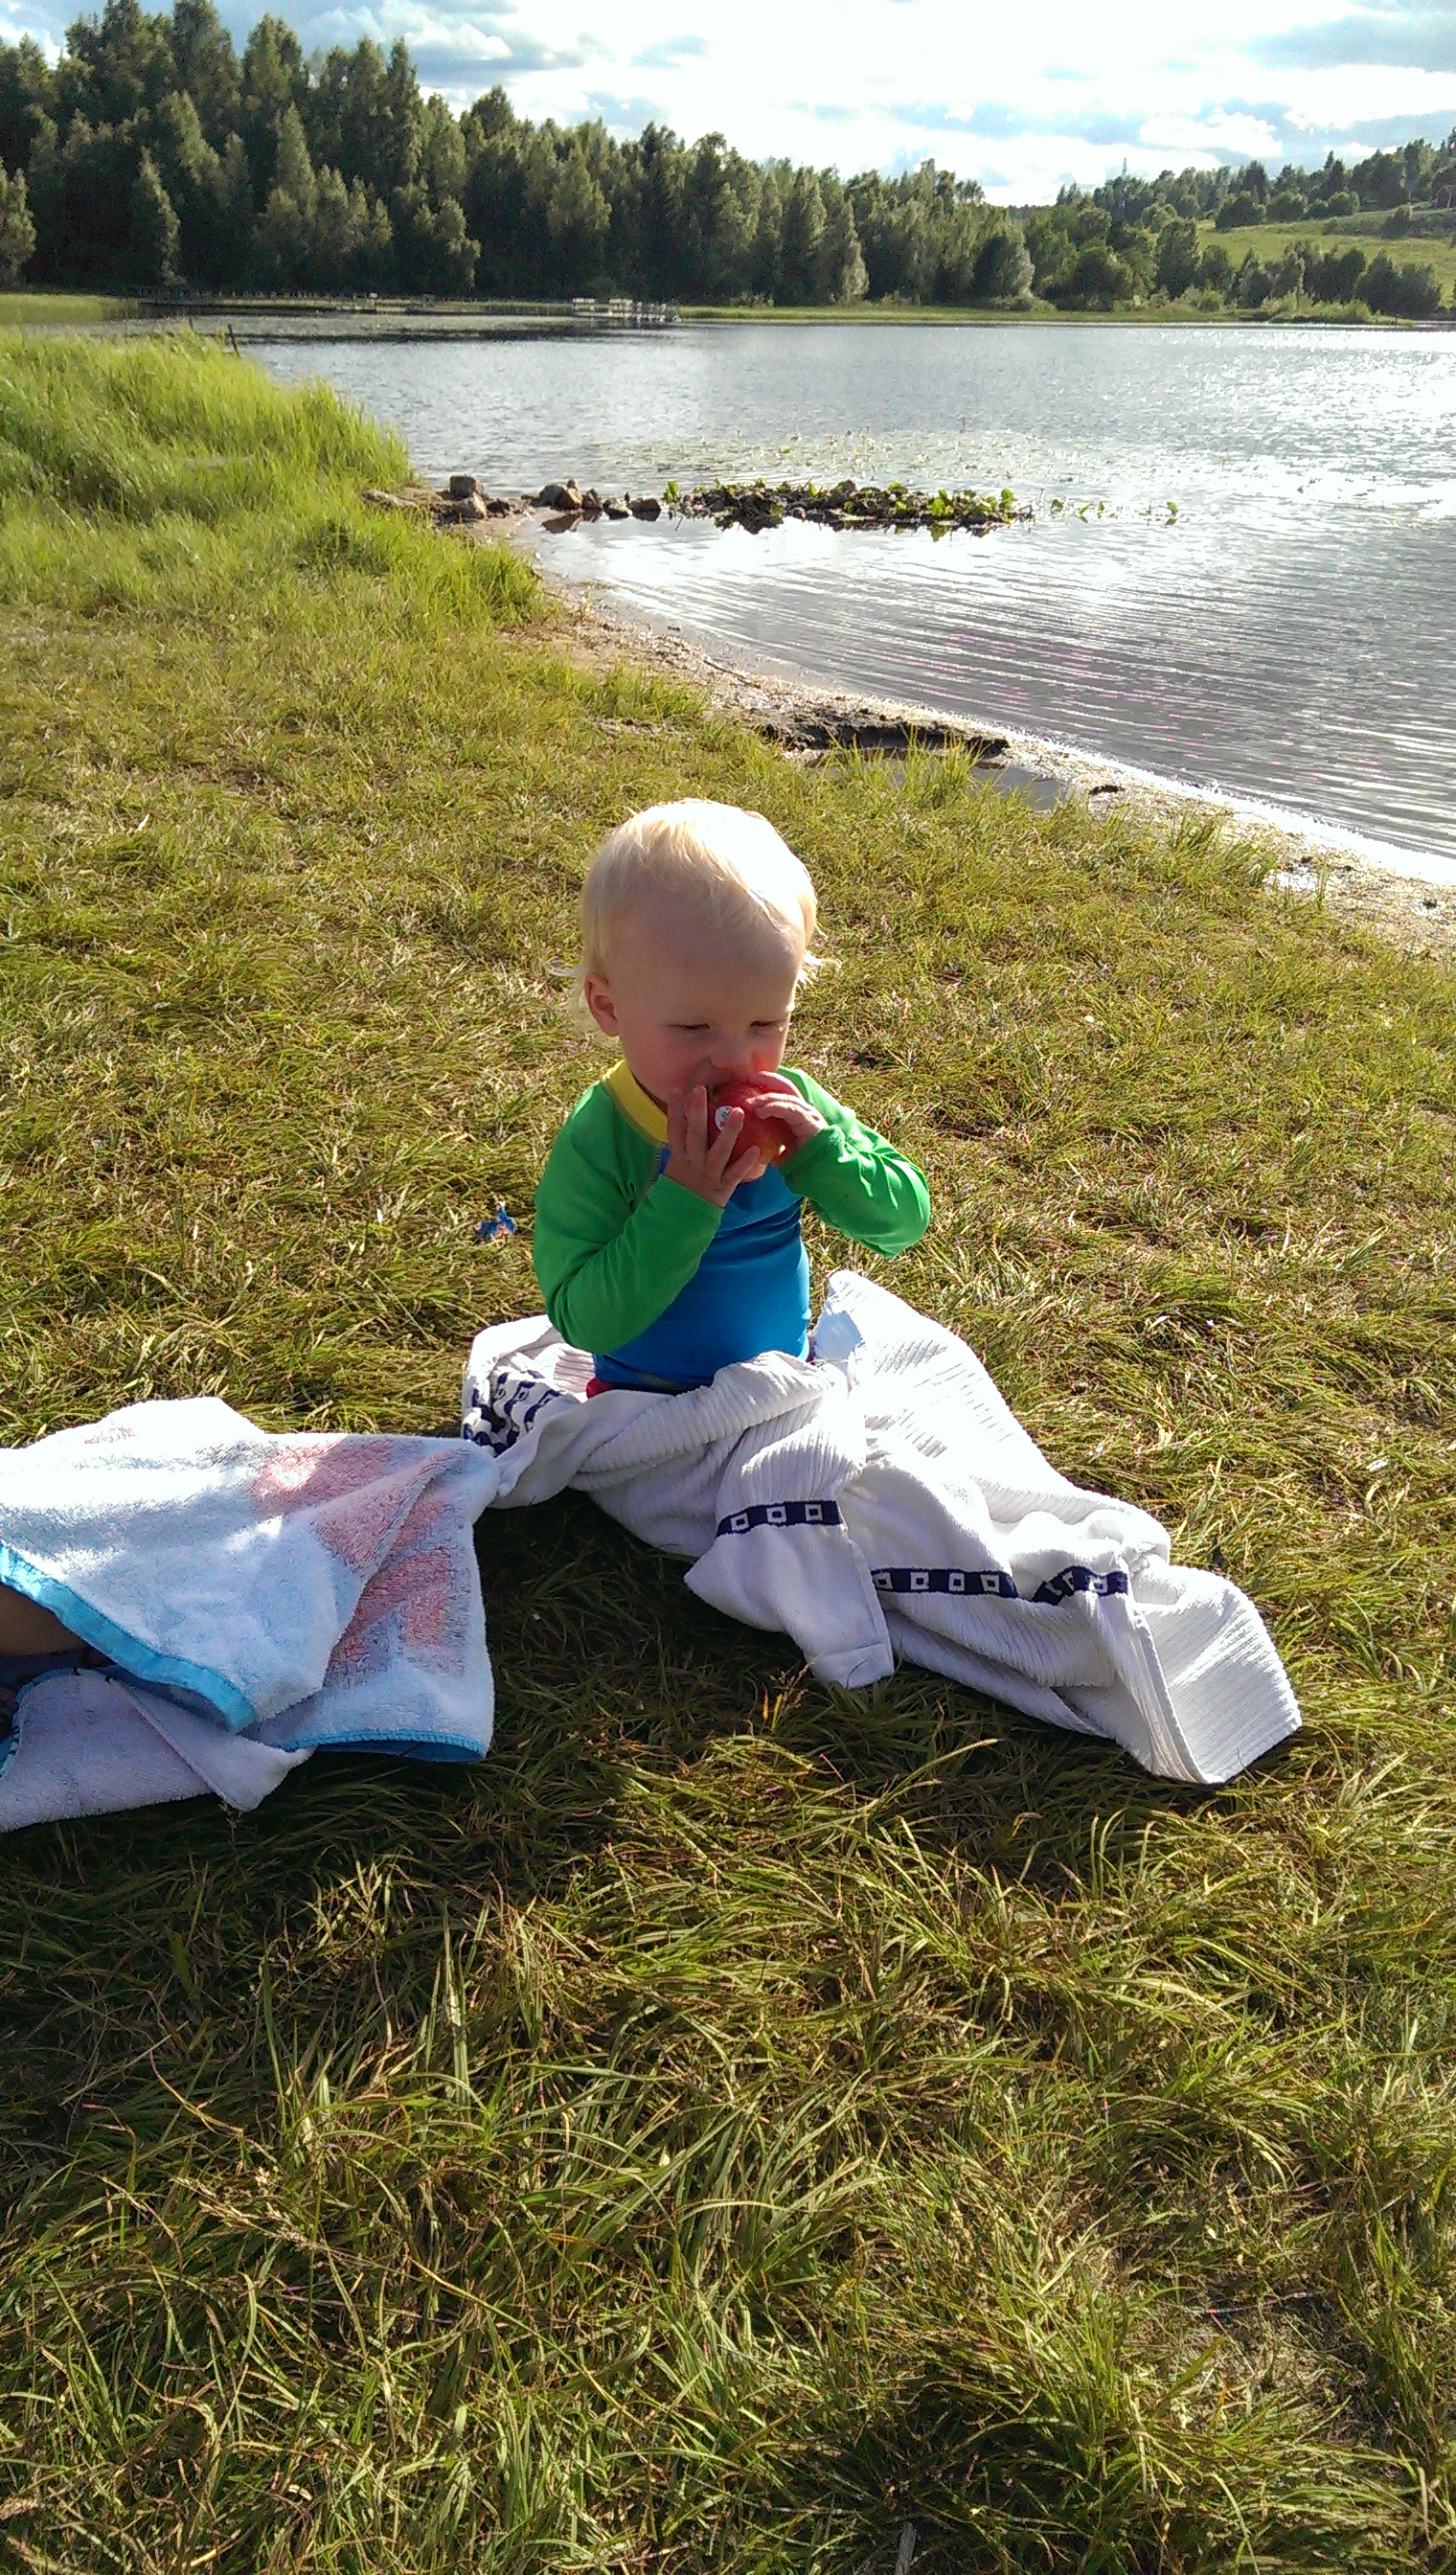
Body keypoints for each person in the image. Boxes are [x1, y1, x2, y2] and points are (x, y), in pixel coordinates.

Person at [532, 799, 931, 1393]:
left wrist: (822, 1157)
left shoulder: (792, 1106)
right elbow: (583, 1319)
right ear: (609, 1007)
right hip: (644, 1398)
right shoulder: (605, 1138)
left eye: (766, 1024)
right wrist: (686, 1200)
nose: (736, 1059)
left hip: (780, 1387)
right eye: (694, 1028)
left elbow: (904, 1223)